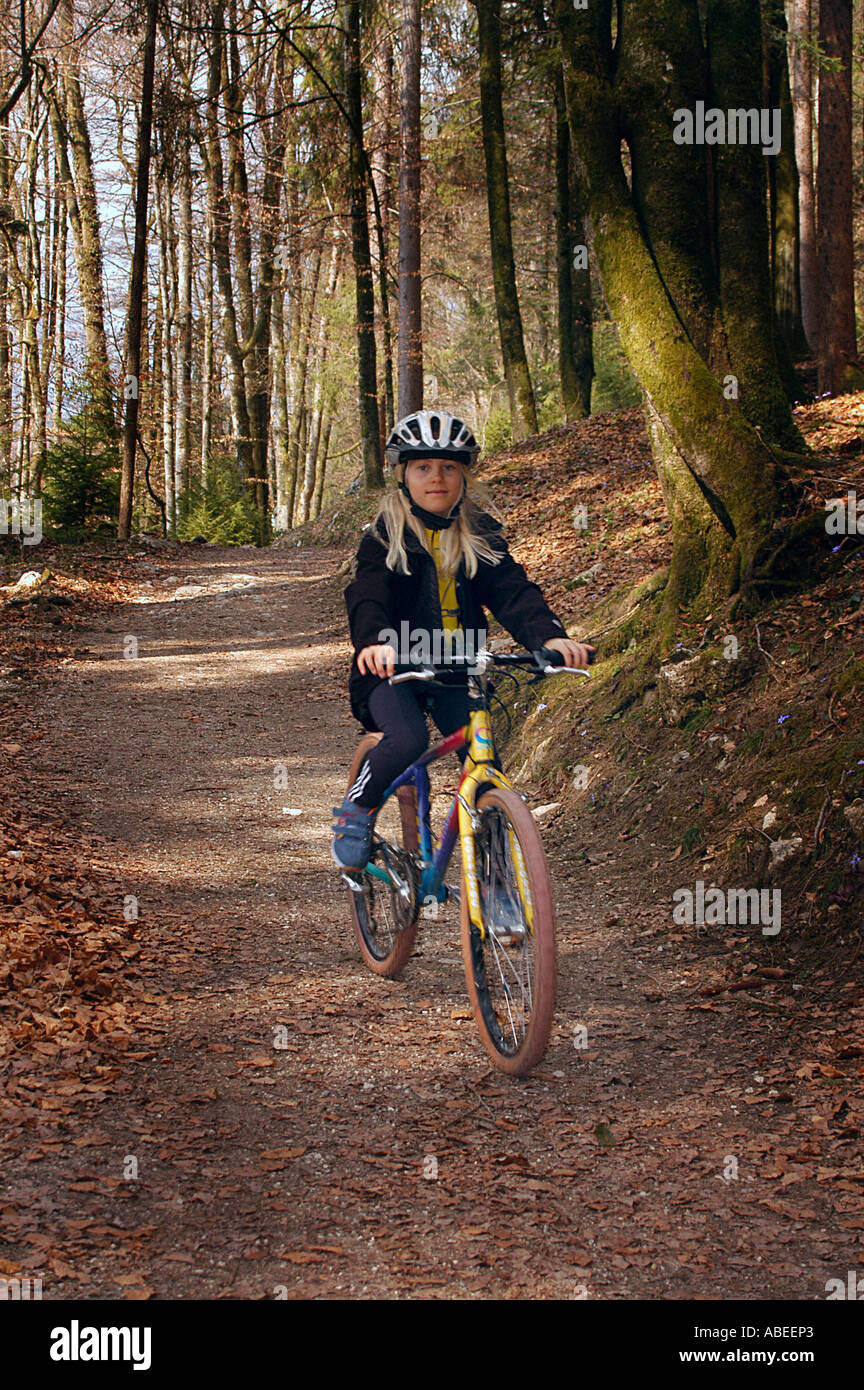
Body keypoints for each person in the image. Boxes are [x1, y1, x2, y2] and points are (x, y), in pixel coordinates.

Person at [332, 409, 593, 871]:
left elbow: (513, 591)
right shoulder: (385, 537)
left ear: (464, 476)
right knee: (407, 739)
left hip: (459, 668)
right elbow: (368, 593)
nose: (437, 477)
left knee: (484, 762)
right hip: (393, 667)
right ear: (403, 476)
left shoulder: (480, 535)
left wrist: (551, 637)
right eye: (423, 467)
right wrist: (373, 641)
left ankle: (497, 883)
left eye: (449, 467)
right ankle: (358, 809)